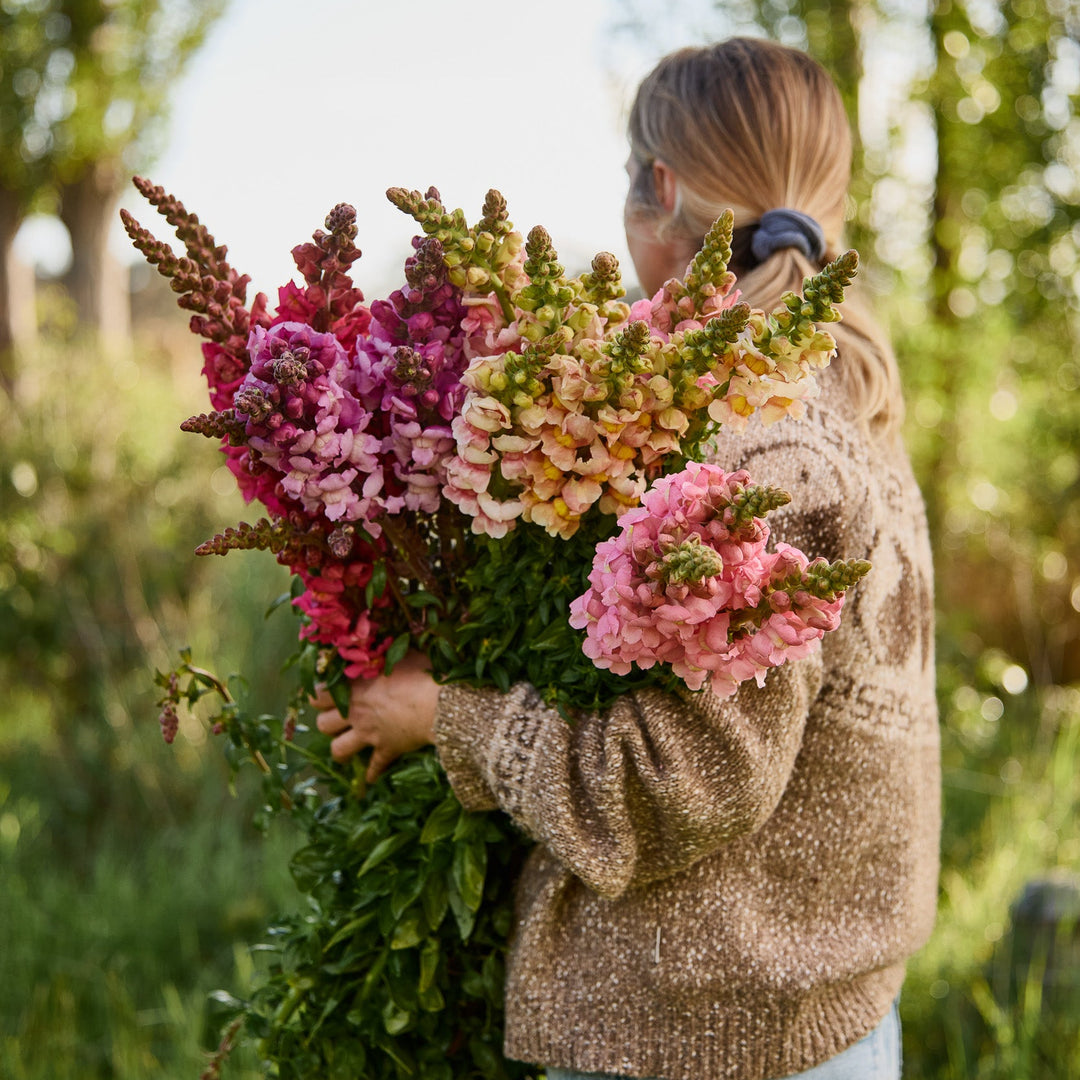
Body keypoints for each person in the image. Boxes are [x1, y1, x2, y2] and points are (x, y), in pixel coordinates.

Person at [313, 36, 939, 1080]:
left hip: (702, 1037)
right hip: (823, 1024)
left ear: (662, 186)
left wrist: (445, 717)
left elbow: (680, 781)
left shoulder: (760, 442)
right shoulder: (842, 396)